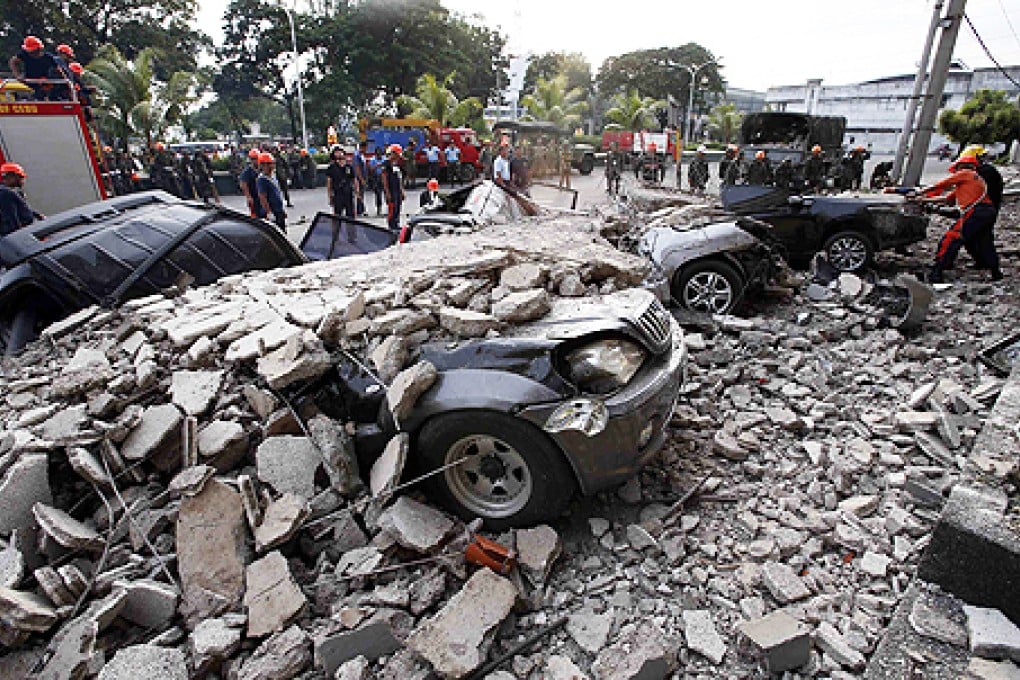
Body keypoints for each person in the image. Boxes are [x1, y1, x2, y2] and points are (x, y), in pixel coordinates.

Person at [915, 153, 1002, 282]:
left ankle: (937, 271)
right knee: (985, 241)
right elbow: (947, 199)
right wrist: (924, 199)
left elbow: (942, 184)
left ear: (961, 166)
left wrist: (919, 192)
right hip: (988, 212)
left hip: (975, 212)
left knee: (951, 238)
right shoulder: (974, 181)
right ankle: (996, 272)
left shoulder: (966, 173)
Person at [9, 36, 62, 101]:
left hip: (45, 82)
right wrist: (17, 75)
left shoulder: (48, 58)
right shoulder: (24, 54)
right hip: (29, 80)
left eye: (33, 51)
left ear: (39, 49)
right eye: (30, 51)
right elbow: (13, 61)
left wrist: (54, 81)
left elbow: (59, 71)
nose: (31, 53)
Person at [0, 163, 43, 236]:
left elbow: (22, 208)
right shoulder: (5, 193)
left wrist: (38, 215)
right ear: (12, 176)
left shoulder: (12, 192)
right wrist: (21, 236)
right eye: (21, 177)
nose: (23, 180)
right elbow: (11, 219)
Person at [256, 152, 287, 231]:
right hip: (273, 211)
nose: (272, 165)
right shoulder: (262, 179)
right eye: (270, 163)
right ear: (263, 165)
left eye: (272, 163)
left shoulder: (273, 176)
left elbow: (278, 192)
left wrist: (282, 208)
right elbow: (262, 197)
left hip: (278, 210)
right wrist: (269, 212)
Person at [325, 146, 357, 218]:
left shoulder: (349, 167)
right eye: (337, 153)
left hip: (348, 193)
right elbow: (329, 182)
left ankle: (350, 229)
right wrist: (330, 195)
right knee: (337, 215)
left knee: (351, 215)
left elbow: (354, 179)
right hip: (338, 194)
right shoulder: (332, 168)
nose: (339, 154)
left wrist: (356, 191)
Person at [381, 144, 405, 232]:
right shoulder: (386, 163)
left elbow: (399, 178)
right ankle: (391, 225)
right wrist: (387, 192)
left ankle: (396, 222)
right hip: (391, 190)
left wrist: (402, 190)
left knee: (398, 206)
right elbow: (384, 178)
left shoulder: (396, 164)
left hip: (397, 189)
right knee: (392, 207)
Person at [238, 149, 265, 218]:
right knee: (256, 215)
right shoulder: (248, 171)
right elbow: (243, 184)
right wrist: (248, 197)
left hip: (263, 195)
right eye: (253, 159)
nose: (255, 160)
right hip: (254, 196)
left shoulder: (262, 168)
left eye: (256, 158)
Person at [368, 147, 385, 216]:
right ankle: (379, 208)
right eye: (378, 155)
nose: (379, 156)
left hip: (384, 177)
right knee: (378, 194)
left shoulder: (384, 159)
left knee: (387, 192)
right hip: (376, 177)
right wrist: (377, 166)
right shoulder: (372, 160)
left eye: (380, 154)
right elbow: (370, 169)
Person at [353, 141, 368, 215]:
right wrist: (361, 179)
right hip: (358, 178)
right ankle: (359, 209)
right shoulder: (357, 155)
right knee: (359, 193)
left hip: (363, 177)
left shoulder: (361, 155)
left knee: (361, 193)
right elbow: (357, 168)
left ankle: (361, 209)